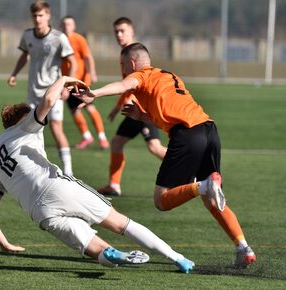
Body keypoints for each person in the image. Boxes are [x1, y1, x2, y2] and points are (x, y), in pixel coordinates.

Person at [0, 75, 195, 273]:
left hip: (41, 213)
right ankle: (177, 258)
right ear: (21, 119)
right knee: (121, 223)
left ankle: (111, 254)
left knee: (93, 247)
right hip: (55, 187)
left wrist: (5, 245)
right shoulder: (24, 128)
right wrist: (63, 79)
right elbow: (47, 101)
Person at [76, 43, 256, 269]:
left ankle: (204, 185)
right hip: (209, 130)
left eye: (123, 65)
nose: (123, 70)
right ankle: (243, 248)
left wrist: (95, 93)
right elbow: (172, 115)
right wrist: (144, 117)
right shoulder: (169, 76)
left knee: (162, 200)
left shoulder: (141, 75)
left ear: (132, 64)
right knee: (213, 199)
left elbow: (125, 84)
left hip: (188, 134)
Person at [97, 17, 166, 196]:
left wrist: (125, 101)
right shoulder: (126, 53)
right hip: (134, 108)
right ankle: (114, 185)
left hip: (142, 109)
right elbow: (126, 84)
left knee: (154, 147)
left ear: (132, 32)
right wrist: (117, 106)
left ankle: (190, 168)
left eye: (122, 31)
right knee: (118, 142)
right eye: (116, 32)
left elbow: (137, 83)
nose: (119, 35)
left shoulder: (135, 54)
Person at [7, 1, 76, 176]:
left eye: (41, 15)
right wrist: (14, 73)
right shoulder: (27, 35)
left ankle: (68, 171)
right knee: (31, 130)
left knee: (56, 128)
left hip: (53, 93)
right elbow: (24, 56)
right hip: (33, 93)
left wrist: (67, 87)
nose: (38, 19)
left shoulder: (59, 38)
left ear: (48, 16)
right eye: (35, 16)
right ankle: (32, 170)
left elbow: (72, 62)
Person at [60, 15, 109, 150]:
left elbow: (88, 57)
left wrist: (92, 72)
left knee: (89, 107)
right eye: (64, 24)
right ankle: (87, 136)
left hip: (81, 80)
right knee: (74, 110)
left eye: (69, 24)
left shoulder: (78, 39)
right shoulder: (59, 40)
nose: (66, 26)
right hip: (67, 82)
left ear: (74, 26)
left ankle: (102, 137)